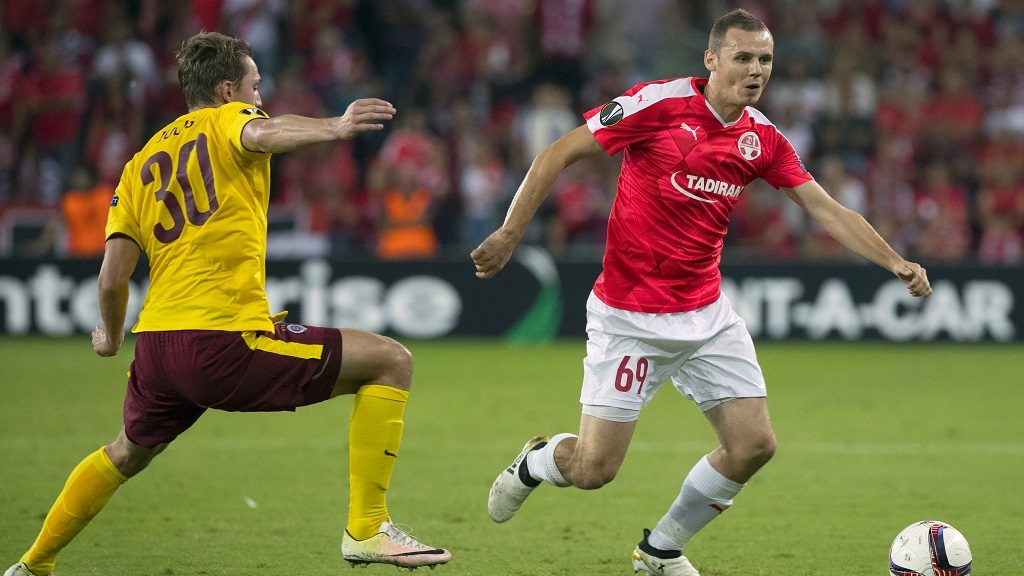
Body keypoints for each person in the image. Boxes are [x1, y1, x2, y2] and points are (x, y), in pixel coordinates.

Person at [470, 9, 932, 576]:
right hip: (629, 318)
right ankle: (536, 462)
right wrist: (510, 232)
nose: (756, 70)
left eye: (765, 59)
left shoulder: (762, 138)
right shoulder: (657, 104)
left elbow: (826, 209)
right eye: (743, 57)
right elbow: (557, 153)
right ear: (711, 59)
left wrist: (894, 261)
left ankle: (660, 550)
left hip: (707, 316)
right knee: (593, 470)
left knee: (753, 445)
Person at [5, 31, 450, 576]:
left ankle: (34, 563)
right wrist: (335, 127)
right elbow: (261, 133)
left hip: (157, 348)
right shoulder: (229, 120)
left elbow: (111, 279)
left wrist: (112, 337)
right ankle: (368, 528)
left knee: (126, 451)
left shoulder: (140, 164)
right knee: (390, 361)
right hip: (220, 340)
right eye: (255, 86)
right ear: (226, 90)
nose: (259, 97)